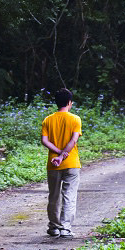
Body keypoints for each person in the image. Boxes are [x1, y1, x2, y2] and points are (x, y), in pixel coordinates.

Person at [40, 88, 82, 238]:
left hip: (53, 164)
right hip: (71, 163)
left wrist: (58, 154)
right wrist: (64, 155)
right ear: (70, 103)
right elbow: (74, 140)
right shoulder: (75, 119)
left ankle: (54, 227)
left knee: (54, 196)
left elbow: (44, 141)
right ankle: (65, 228)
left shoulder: (48, 120)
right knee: (69, 195)